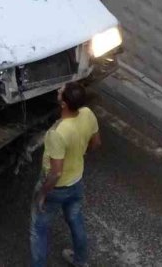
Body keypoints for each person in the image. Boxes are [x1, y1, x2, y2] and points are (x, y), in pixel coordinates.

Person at [29, 82, 101, 267]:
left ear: (64, 104)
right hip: (76, 181)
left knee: (39, 229)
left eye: (61, 91)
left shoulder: (58, 133)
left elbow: (56, 172)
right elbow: (96, 143)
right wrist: (80, 153)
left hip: (57, 188)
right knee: (75, 218)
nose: (59, 89)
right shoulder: (87, 114)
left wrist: (43, 194)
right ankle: (80, 260)